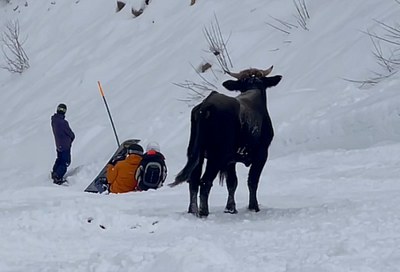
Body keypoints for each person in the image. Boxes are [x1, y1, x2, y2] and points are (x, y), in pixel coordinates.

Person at [51, 103, 75, 184]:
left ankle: (55, 172)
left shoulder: (54, 120)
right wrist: (72, 136)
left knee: (60, 158)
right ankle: (58, 176)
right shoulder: (63, 122)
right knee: (65, 161)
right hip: (65, 144)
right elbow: (69, 132)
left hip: (59, 144)